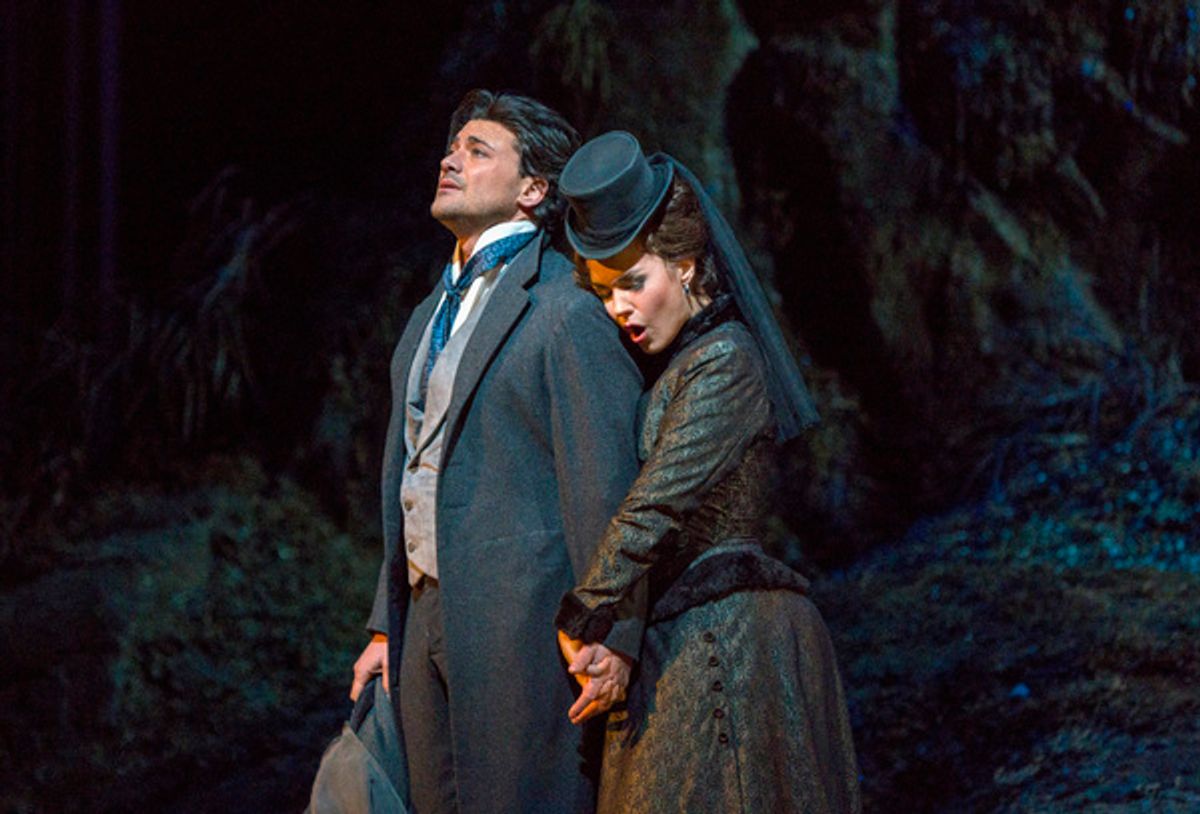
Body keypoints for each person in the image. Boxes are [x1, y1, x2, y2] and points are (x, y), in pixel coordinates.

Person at [350, 92, 644, 814]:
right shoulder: (430, 314)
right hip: (425, 618)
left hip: (525, 622)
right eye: (452, 148)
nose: (451, 159)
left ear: (533, 189)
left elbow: (603, 486)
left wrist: (614, 632)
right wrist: (388, 621)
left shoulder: (564, 308)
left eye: (479, 150)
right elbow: (414, 471)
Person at [554, 131, 862, 813]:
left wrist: (585, 607)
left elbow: (659, 500)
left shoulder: (727, 359)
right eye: (605, 293)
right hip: (687, 639)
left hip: (733, 642)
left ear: (688, 265)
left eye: (633, 283)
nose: (619, 308)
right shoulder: (678, 363)